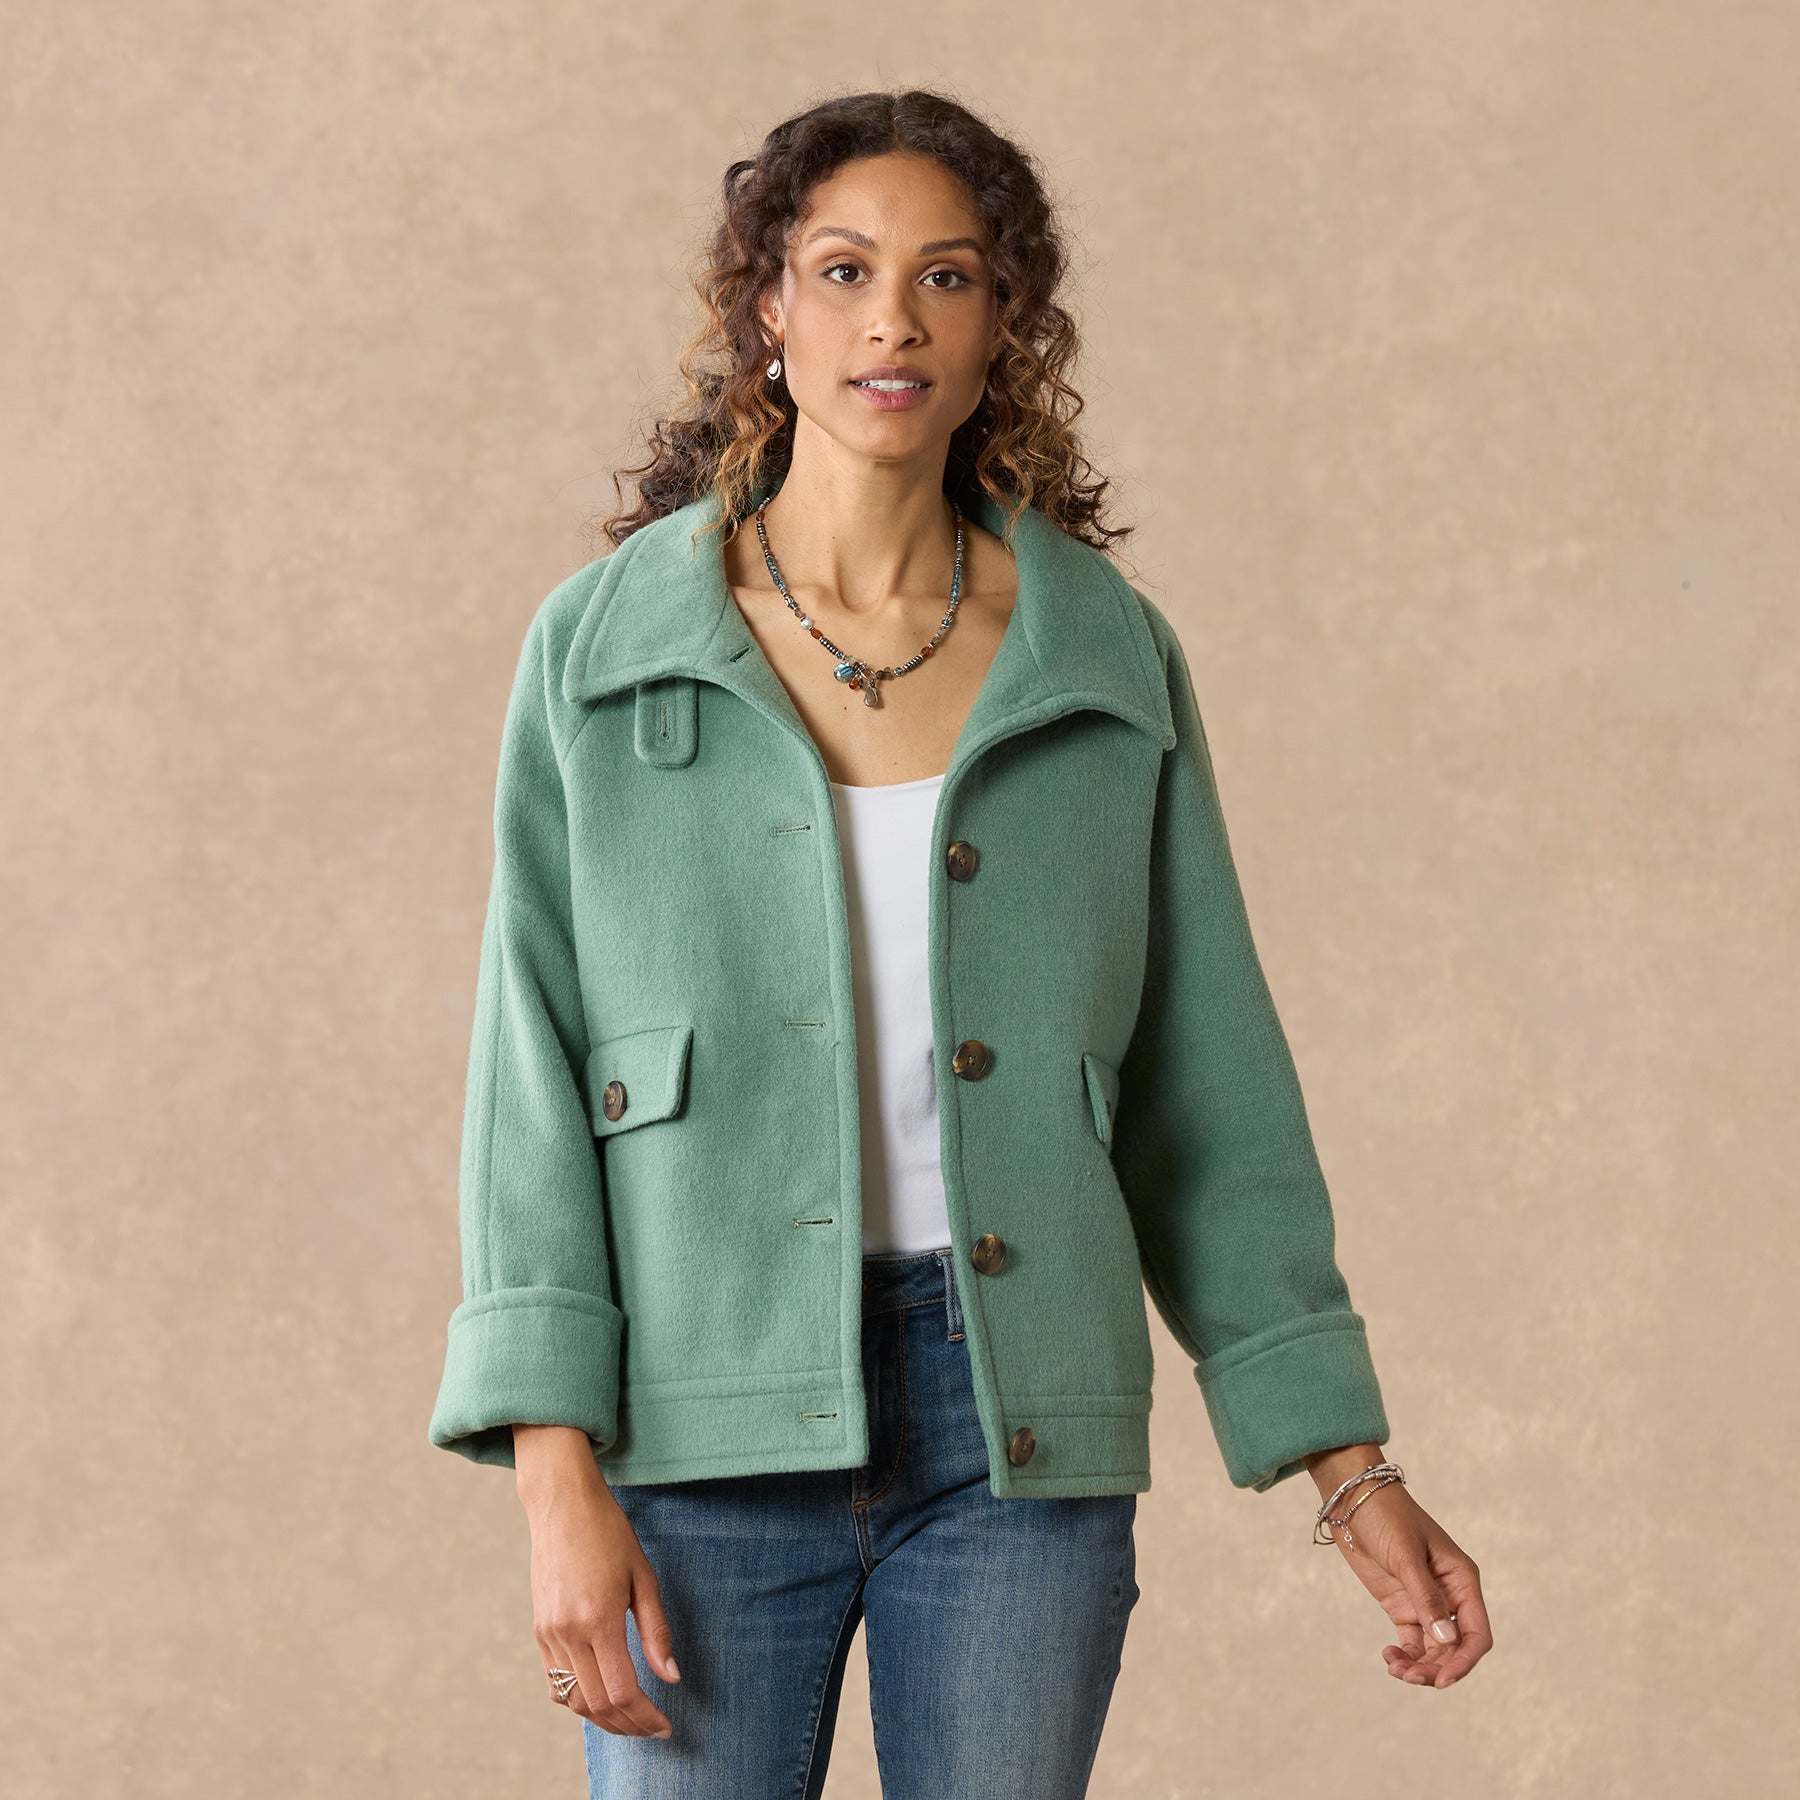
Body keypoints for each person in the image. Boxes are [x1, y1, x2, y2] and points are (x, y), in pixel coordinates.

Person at [428, 87, 1492, 1798]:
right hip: (699, 1423)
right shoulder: (607, 653)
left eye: (948, 276)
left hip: (1019, 1431)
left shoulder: (1102, 657)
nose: (894, 321)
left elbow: (1210, 1087)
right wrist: (557, 1475)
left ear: (1006, 324)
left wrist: (1346, 1464)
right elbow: (528, 1073)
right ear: (767, 308)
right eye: (844, 271)